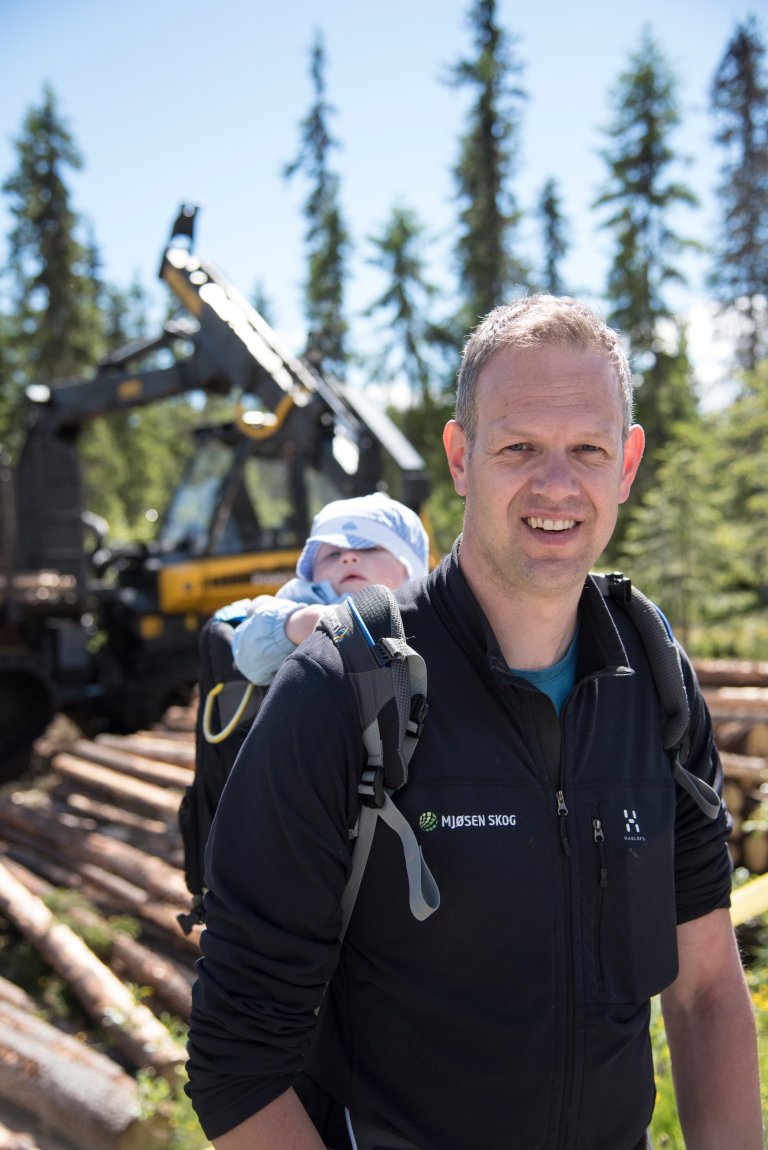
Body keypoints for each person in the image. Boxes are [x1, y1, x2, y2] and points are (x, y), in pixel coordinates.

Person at [185, 295, 763, 1150]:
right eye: (519, 446)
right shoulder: (342, 688)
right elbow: (236, 1065)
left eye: (588, 450)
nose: (556, 484)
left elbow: (708, 988)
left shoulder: (653, 683)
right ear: (461, 456)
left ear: (627, 464)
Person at [218, 492, 430, 689]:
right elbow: (248, 658)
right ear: (313, 572)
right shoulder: (305, 599)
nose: (348, 557)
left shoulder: (423, 613)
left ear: (409, 569)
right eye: (332, 554)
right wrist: (295, 625)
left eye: (370, 548)